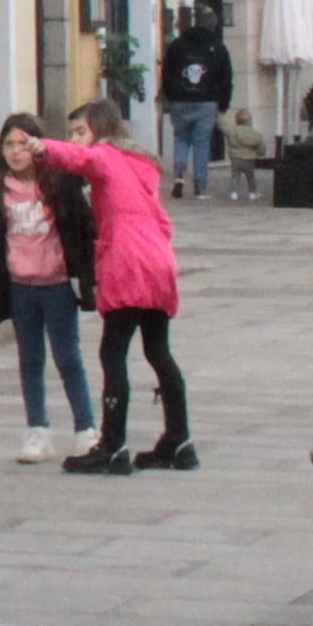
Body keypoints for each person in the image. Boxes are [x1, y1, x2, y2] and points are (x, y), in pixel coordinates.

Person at [52, 100, 188, 470]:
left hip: (128, 263)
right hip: (158, 260)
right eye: (71, 133)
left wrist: (40, 146)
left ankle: (112, 445)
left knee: (112, 355)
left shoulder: (105, 154)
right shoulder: (140, 162)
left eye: (80, 131)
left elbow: (82, 161)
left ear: (100, 129)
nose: (75, 140)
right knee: (158, 351)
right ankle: (179, 440)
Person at [0, 112, 96, 465]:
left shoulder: (60, 183)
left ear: (37, 145)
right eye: (8, 145)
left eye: (22, 144)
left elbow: (84, 228)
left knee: (68, 357)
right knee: (30, 359)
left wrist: (87, 277)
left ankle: (86, 428)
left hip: (56, 284)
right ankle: (37, 430)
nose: (15, 152)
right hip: (19, 286)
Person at [156, 11, 232, 202]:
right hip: (207, 103)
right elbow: (226, 77)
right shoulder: (217, 47)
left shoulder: (177, 45)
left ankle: (180, 174)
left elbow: (166, 72)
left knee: (181, 139)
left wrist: (169, 96)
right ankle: (200, 186)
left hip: (180, 101)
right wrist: (224, 103)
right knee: (201, 143)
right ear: (213, 27)